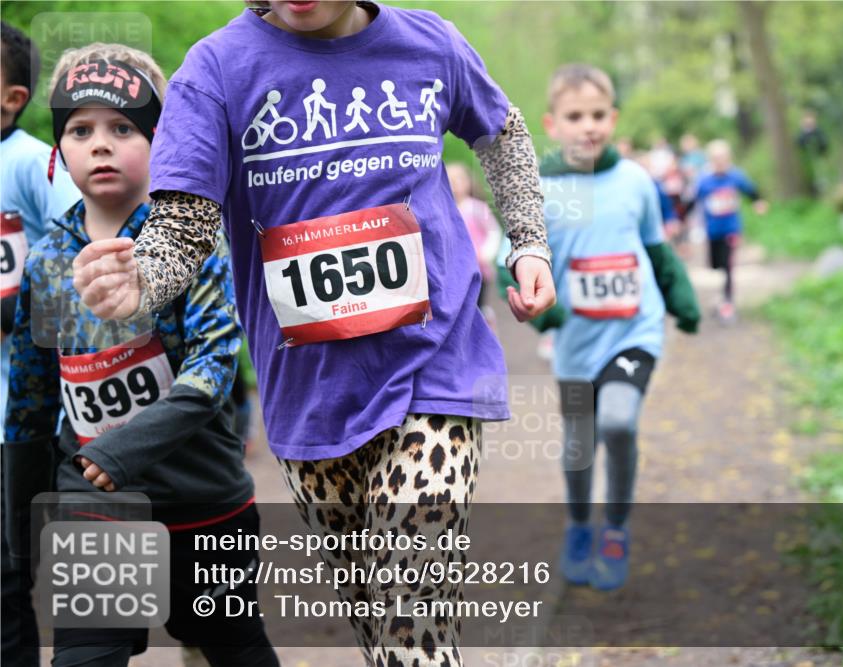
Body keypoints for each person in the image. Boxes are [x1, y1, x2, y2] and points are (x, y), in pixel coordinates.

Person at [69, 2, 556, 665]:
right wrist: (142, 282)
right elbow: (183, 220)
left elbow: (504, 132)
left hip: (435, 366)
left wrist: (528, 242)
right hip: (309, 395)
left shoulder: (430, 43)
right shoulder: (215, 70)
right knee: (376, 617)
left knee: (409, 608)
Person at [3, 44, 278, 667]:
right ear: (58, 152)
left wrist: (122, 449)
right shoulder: (49, 260)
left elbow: (214, 368)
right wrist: (22, 533)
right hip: (95, 511)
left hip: (204, 506)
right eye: (80, 129)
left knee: (233, 648)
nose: (100, 144)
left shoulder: (191, 240)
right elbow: (30, 399)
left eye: (123, 128)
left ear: (163, 141)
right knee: (86, 657)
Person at [500, 63, 699, 591]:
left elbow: (656, 247)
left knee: (616, 421)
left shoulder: (634, 179)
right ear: (552, 123)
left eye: (597, 115)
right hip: (574, 343)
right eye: (574, 116)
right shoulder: (538, 186)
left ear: (612, 118)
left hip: (635, 330)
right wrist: (536, 301)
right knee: (578, 442)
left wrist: (682, 297)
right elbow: (512, 256)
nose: (588, 126)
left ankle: (616, 529)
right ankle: (580, 526)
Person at [1, 21, 81, 667]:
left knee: (20, 572)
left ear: (12, 97)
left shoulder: (33, 161)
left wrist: (14, 309)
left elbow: (68, 252)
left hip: (31, 413)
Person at [693, 139, 768, 322]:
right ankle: (722, 297)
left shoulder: (735, 176)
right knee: (716, 265)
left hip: (731, 229)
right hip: (712, 231)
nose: (720, 162)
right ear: (710, 159)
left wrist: (758, 202)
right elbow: (691, 200)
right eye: (716, 158)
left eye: (723, 158)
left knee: (728, 266)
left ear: (728, 158)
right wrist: (677, 220)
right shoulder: (704, 180)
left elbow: (751, 190)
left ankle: (728, 303)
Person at [446, 161, 502, 328]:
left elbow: (494, 231)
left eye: (458, 179)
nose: (454, 184)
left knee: (478, 304)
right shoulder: (444, 210)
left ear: (468, 182)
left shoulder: (477, 208)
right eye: (450, 180)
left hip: (478, 268)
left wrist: (485, 254)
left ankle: (485, 326)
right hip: (454, 269)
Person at [796, 109, 828, 197]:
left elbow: (824, 144)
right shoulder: (802, 134)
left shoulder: (818, 132)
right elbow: (799, 144)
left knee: (822, 179)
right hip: (808, 162)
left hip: (818, 159)